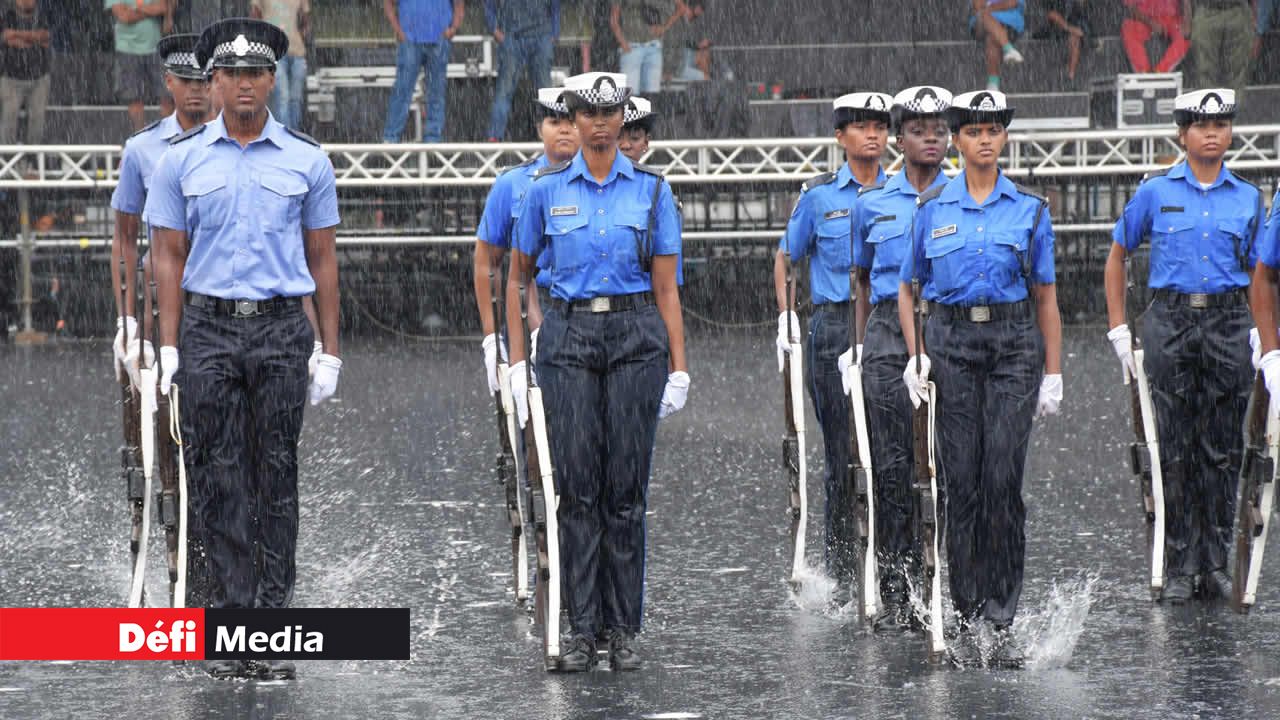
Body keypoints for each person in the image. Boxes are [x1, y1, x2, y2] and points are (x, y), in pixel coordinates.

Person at [143, 17, 341, 681]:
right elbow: (167, 258)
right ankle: (232, 620)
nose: (243, 85)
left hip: (283, 328)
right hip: (208, 329)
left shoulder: (307, 159)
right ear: (213, 82)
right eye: (229, 74)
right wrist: (168, 347)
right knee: (217, 477)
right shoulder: (181, 159)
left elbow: (324, 259)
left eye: (256, 73)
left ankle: (273, 624)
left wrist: (331, 348)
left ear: (271, 79)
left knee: (274, 476)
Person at [505, 71, 688, 672]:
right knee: (577, 489)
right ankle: (582, 629)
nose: (602, 122)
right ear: (575, 119)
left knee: (626, 491)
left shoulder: (655, 193)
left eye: (612, 112)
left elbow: (667, 288)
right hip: (569, 335)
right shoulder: (544, 191)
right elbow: (517, 275)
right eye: (590, 112)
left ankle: (623, 628)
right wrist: (516, 353)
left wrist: (679, 366)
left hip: (636, 335)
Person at [899, 90, 1063, 668]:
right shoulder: (932, 208)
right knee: (961, 482)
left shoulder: (1031, 210)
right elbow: (909, 286)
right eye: (974, 131)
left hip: (1015, 345)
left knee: (1002, 478)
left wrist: (1053, 371)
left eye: (994, 130)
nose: (985, 140)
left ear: (1004, 139)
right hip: (952, 345)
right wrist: (916, 353)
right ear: (958, 141)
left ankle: (1002, 610)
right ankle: (966, 608)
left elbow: (1046, 296)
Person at [1106, 89, 1262, 606]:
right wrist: (1117, 328)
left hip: (1228, 317)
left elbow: (1266, 274)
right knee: (1172, 447)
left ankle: (1215, 561)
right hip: (1169, 318)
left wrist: (1266, 332)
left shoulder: (1247, 197)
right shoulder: (1154, 192)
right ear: (1181, 133)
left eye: (1220, 122)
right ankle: (1177, 562)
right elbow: (1118, 253)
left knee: (1222, 447)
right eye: (1199, 123)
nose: (1211, 132)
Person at [773, 92, 890, 593]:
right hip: (833, 325)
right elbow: (785, 258)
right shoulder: (819, 196)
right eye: (861, 127)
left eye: (880, 127)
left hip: (886, 324)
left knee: (890, 452)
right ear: (840, 137)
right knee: (842, 453)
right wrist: (786, 318)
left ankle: (889, 564)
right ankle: (843, 569)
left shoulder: (903, 194)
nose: (873, 136)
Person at [846, 86, 953, 632]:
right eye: (918, 128)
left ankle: (944, 581)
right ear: (899, 137)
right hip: (888, 330)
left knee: (942, 464)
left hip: (945, 325)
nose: (930, 137)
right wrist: (862, 346)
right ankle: (898, 583)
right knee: (892, 466)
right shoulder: (871, 204)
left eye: (939, 129)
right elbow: (862, 280)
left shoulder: (961, 197)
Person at [474, 85, 579, 395]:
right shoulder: (512, 183)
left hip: (582, 303)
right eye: (554, 121)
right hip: (527, 301)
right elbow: (486, 262)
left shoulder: (599, 184)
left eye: (571, 121)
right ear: (539, 129)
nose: (563, 129)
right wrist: (491, 338)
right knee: (529, 419)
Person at [382, 0, 464, 143]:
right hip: (410, 41)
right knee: (402, 90)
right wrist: (399, 31)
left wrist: (454, 28)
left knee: (436, 92)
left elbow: (459, 4)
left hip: (439, 40)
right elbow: (388, 3)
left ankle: (432, 139)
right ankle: (391, 137)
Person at [483, 0, 559, 142]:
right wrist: (494, 29)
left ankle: (552, 136)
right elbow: (488, 6)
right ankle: (494, 137)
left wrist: (554, 34)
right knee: (505, 91)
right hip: (513, 37)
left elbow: (555, 8)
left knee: (545, 92)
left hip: (540, 37)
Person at [105, 0, 169, 130]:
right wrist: (149, 10)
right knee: (134, 96)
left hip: (156, 46)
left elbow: (162, 7)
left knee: (167, 94)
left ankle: (168, 135)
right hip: (127, 49)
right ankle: (140, 135)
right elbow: (125, 17)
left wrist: (136, 9)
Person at [251, 0, 310, 130]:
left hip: (297, 52)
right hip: (274, 52)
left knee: (296, 98)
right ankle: (284, 138)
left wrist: (301, 35)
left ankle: (294, 135)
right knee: (282, 96)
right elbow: (255, 19)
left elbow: (305, 20)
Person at [0, 0, 51, 152]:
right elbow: (4, 37)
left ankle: (31, 162)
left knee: (37, 122)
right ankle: (8, 161)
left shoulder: (42, 15)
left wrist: (16, 35)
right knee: (9, 120)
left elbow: (46, 37)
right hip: (11, 78)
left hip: (39, 78)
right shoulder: (6, 16)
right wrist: (33, 37)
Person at [609, 0, 682, 94]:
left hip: (653, 47)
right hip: (632, 47)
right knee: (631, 96)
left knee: (651, 96)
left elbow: (681, 8)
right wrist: (623, 42)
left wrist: (664, 27)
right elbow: (614, 19)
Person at [1185, 0, 1253, 100]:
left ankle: (1233, 112)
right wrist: (1187, 17)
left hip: (1238, 12)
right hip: (1206, 12)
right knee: (1205, 71)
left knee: (1238, 72)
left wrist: (1255, 17)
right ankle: (1210, 111)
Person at [1120, 0, 1189, 74]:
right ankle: (1143, 73)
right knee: (1128, 28)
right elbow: (1131, 8)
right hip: (1144, 19)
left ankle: (1160, 72)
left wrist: (1187, 22)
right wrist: (1150, 23)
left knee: (1184, 37)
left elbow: (1187, 3)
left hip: (1172, 19)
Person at [970, 0, 1025, 91]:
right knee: (983, 16)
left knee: (991, 37)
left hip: (1009, 22)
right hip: (981, 25)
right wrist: (991, 10)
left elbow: (1012, 3)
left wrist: (988, 9)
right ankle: (1008, 49)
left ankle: (993, 83)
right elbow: (978, 6)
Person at [1034, 0, 1090, 81]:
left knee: (1075, 38)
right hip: (1051, 27)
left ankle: (1071, 75)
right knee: (1055, 16)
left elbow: (1081, 9)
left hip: (1072, 27)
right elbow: (1050, 14)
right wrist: (1068, 27)